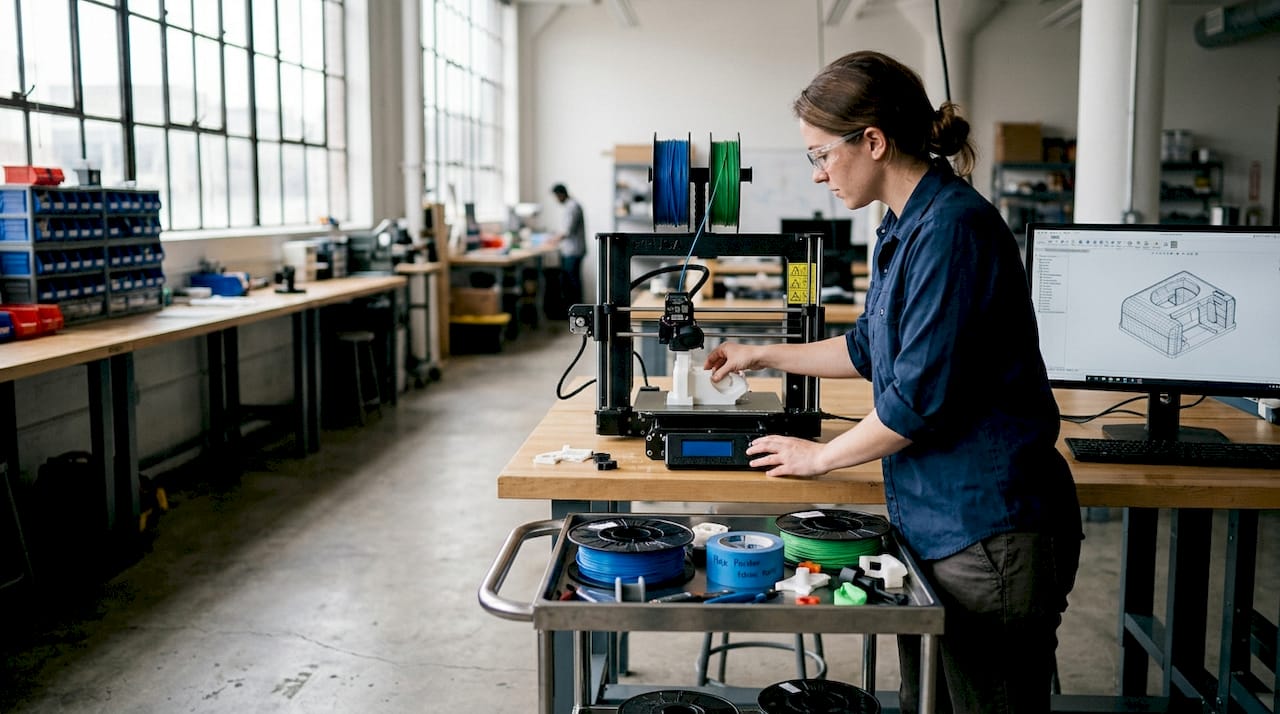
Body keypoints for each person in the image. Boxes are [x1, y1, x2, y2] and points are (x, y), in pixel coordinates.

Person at [703, 51, 1082, 713]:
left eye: (821, 155)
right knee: (929, 699)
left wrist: (818, 457)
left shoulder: (953, 231)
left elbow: (915, 403)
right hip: (938, 522)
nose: (819, 175)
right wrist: (762, 354)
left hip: (985, 528)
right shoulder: (902, 227)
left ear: (872, 141)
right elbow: (867, 348)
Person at [550, 183, 586, 311]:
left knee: (572, 283)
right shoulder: (570, 206)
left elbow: (567, 231)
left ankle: (577, 311)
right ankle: (575, 310)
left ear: (560, 194)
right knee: (570, 281)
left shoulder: (573, 207)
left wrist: (552, 241)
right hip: (570, 250)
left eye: (556, 197)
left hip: (573, 251)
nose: (556, 200)